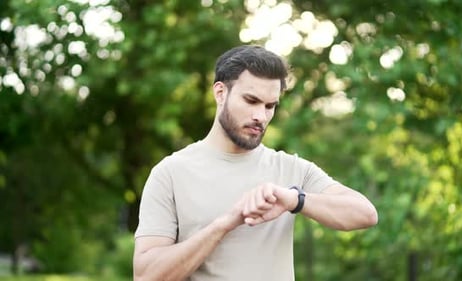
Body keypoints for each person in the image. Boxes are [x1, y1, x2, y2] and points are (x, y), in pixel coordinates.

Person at [133, 45, 378, 281]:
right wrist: (225, 224)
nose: (260, 116)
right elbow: (146, 275)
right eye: (251, 101)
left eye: (270, 106)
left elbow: (365, 214)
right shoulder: (171, 172)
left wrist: (294, 200)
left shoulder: (291, 169)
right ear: (220, 93)